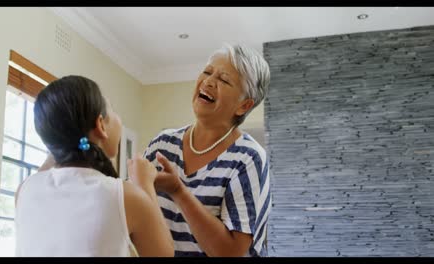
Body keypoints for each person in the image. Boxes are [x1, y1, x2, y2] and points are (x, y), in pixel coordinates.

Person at [14, 75, 174, 257]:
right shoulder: (126, 196)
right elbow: (164, 254)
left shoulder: (24, 190)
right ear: (100, 125)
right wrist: (145, 184)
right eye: (112, 110)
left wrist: (63, 140)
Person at [144, 43, 271, 257]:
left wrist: (178, 191)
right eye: (207, 71)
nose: (209, 81)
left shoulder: (249, 158)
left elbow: (231, 253)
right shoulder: (162, 144)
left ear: (244, 105)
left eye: (223, 80)